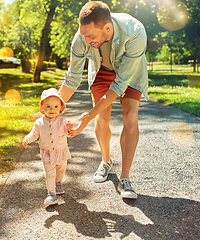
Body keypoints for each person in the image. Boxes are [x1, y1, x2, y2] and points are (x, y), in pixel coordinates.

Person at [60, 1, 148, 199]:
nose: (86, 39)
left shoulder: (135, 31)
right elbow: (72, 79)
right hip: (102, 70)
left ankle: (125, 178)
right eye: (84, 35)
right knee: (103, 118)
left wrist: (88, 116)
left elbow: (120, 85)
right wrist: (50, 108)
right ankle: (106, 161)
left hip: (130, 73)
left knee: (131, 115)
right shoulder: (82, 38)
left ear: (107, 28)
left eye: (91, 36)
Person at [23, 88, 73, 206]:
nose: (52, 109)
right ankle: (51, 194)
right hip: (47, 153)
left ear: (61, 107)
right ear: (42, 108)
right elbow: (34, 134)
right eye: (48, 106)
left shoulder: (63, 121)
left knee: (61, 169)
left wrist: (70, 128)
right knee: (50, 173)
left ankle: (58, 183)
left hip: (61, 151)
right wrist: (27, 138)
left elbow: (68, 132)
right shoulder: (39, 123)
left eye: (56, 106)